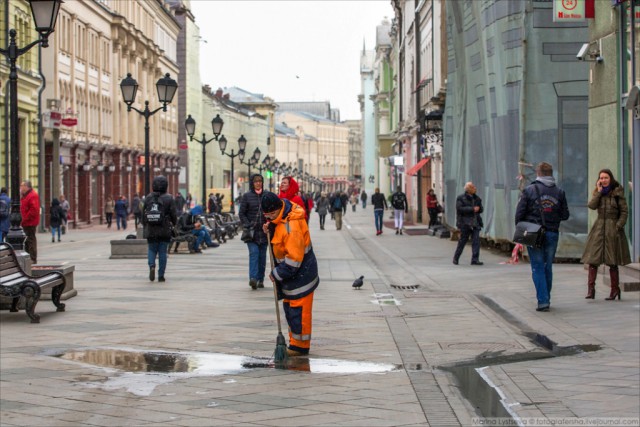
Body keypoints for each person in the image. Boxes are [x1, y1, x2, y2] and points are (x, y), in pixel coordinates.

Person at [261, 191, 319, 357]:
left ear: (277, 209)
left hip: (301, 276)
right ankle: (295, 341)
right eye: (266, 216)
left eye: (270, 215)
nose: (269, 218)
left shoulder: (291, 227)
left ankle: (300, 346)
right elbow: (278, 229)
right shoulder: (283, 215)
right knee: (291, 308)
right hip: (294, 277)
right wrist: (270, 227)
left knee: (299, 311)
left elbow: (294, 260)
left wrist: (277, 274)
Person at [515, 162, 570, 312]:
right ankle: (546, 297)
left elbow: (519, 213)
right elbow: (565, 215)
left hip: (534, 233)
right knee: (548, 266)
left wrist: (521, 228)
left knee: (537, 267)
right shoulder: (559, 192)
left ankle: (543, 300)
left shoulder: (529, 190)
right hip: (552, 232)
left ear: (538, 173)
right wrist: (552, 216)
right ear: (551, 174)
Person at [580, 169, 631, 301]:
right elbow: (591, 206)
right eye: (601, 178)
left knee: (612, 261)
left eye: (605, 178)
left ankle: (615, 289)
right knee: (593, 260)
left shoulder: (617, 193)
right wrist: (599, 192)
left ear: (611, 179)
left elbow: (624, 212)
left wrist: (618, 226)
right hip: (599, 228)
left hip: (612, 228)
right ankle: (591, 290)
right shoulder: (599, 192)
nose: (603, 180)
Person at [142, 176, 177, 283]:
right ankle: (161, 275)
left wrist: (145, 225)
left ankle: (152, 265)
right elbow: (173, 214)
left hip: (151, 228)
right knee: (162, 252)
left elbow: (143, 214)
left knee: (151, 249)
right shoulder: (169, 198)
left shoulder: (148, 197)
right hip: (164, 228)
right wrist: (174, 224)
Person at [239, 174, 268, 290]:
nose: (258, 183)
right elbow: (241, 213)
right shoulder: (247, 196)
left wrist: (269, 223)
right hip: (252, 233)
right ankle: (253, 279)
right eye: (256, 181)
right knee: (254, 254)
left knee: (262, 257)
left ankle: (261, 279)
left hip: (264, 232)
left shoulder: (266, 195)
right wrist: (247, 224)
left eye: (260, 181)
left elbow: (272, 211)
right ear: (252, 183)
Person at [453, 182, 484, 266]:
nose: (475, 188)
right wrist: (472, 209)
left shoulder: (477, 198)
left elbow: (481, 209)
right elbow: (459, 209)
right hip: (465, 223)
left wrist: (479, 209)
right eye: (473, 187)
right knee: (462, 241)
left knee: (476, 241)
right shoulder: (461, 198)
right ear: (468, 189)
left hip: (475, 223)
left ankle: (475, 259)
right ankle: (456, 258)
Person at [20, 180, 40, 264]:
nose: (21, 188)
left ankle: (32, 258)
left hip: (30, 223)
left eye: (22, 186)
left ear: (26, 187)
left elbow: (33, 210)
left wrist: (25, 218)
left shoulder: (32, 195)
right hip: (26, 222)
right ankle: (29, 258)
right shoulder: (25, 195)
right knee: (27, 241)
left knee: (30, 240)